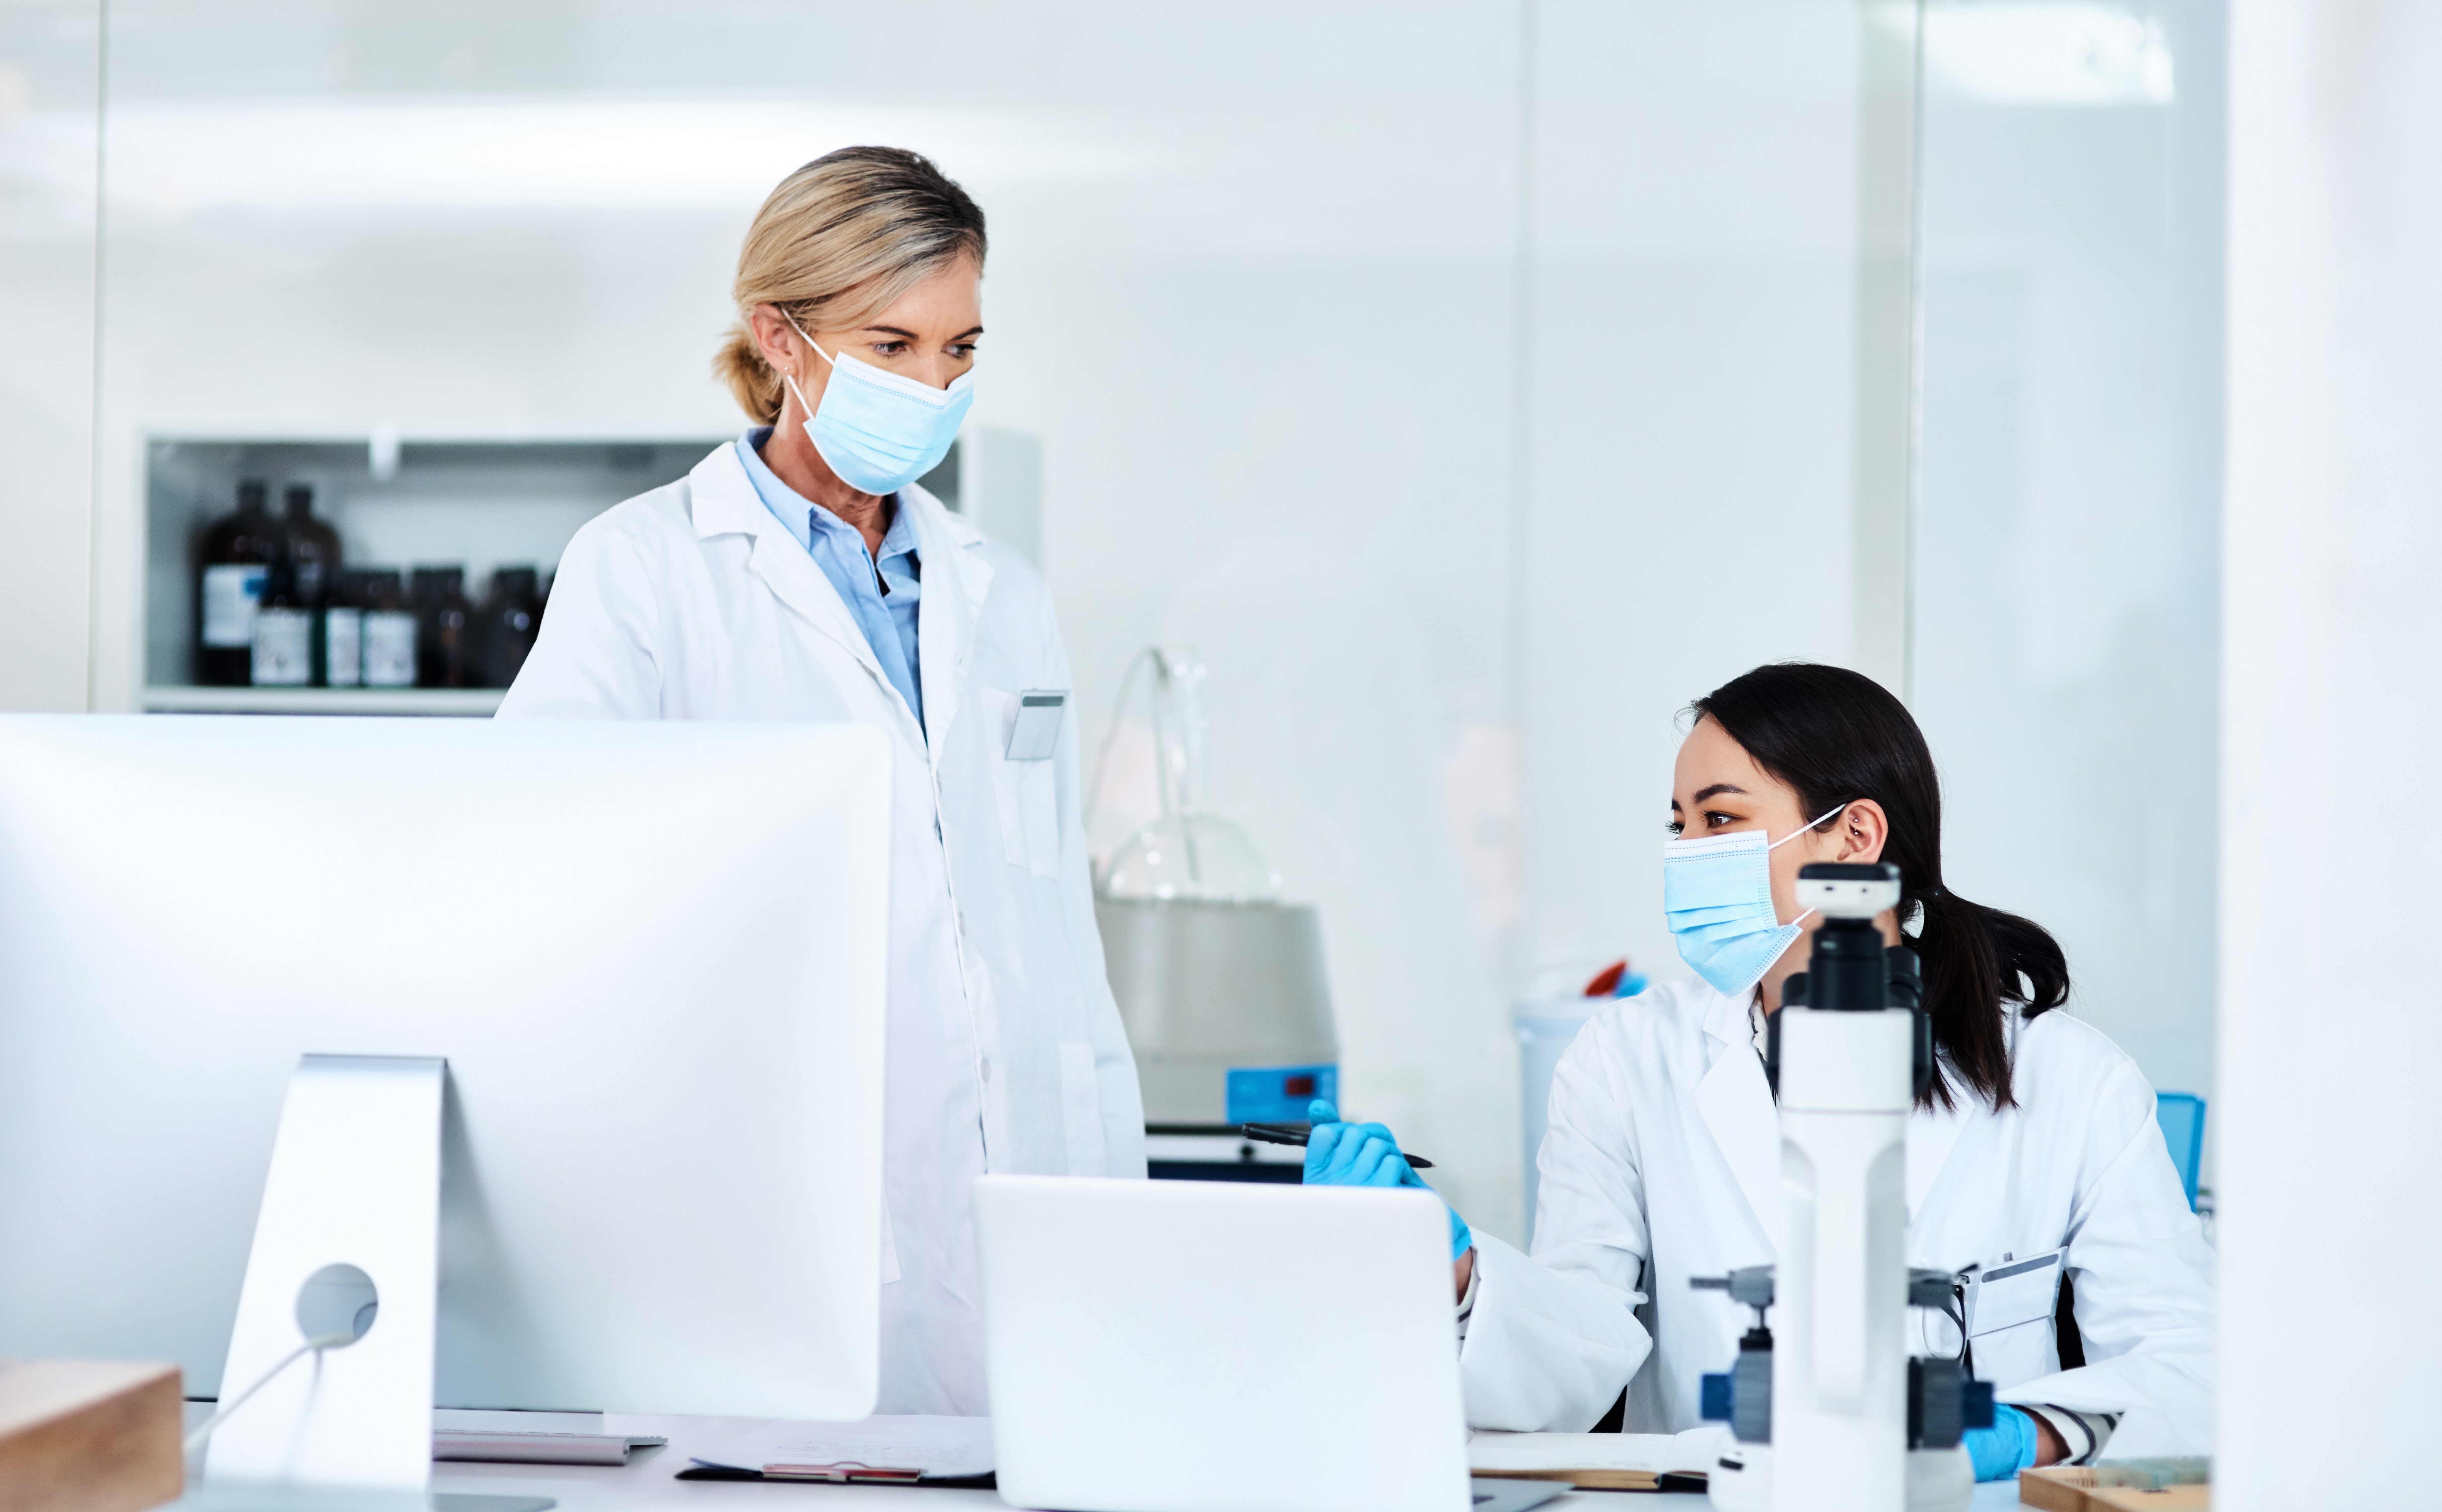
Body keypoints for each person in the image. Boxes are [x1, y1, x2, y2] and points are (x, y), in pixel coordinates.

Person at [498, 146, 1146, 1414]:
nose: (934, 385)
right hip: (772, 1203)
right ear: (780, 339)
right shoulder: (648, 572)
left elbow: (1051, 936)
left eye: (959, 350)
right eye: (892, 346)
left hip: (1034, 1215)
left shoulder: (1001, 593)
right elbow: (544, 890)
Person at [1303, 663, 2212, 1476]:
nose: (1691, 853)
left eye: (1724, 819)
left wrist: (2024, 1433)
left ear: (1855, 836)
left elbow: (2189, 1367)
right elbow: (1578, 1358)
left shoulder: (2072, 1083)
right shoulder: (1628, 1062)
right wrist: (1458, 1272)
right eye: (1682, 824)